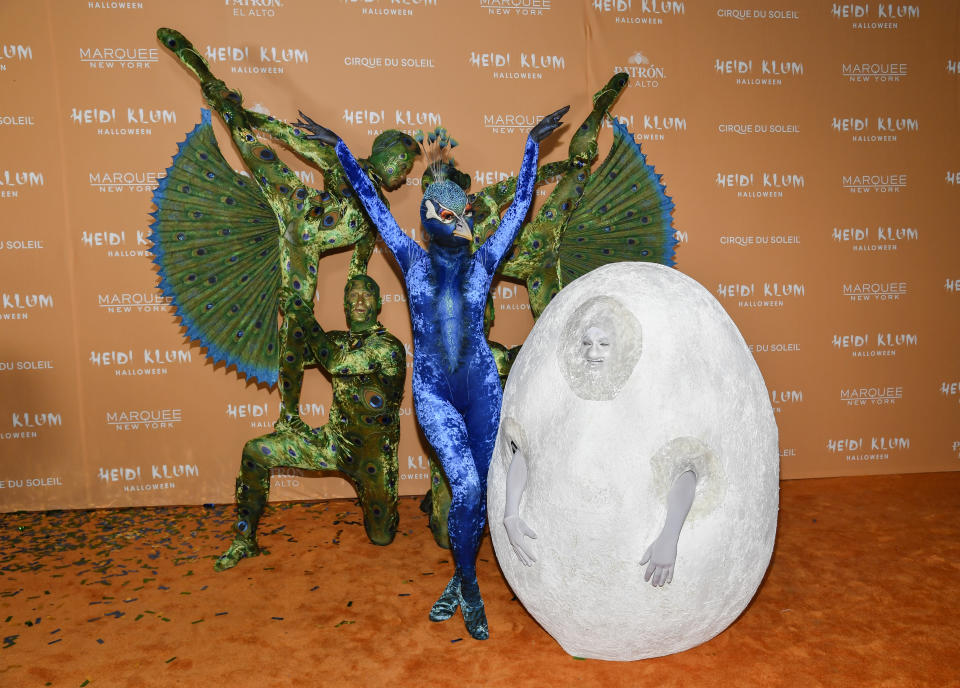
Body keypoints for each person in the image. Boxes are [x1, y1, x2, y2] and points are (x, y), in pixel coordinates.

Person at [294, 106, 569, 639]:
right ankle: (468, 585)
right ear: (427, 217)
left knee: (484, 489)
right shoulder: (411, 260)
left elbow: (518, 210)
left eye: (459, 213)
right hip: (437, 396)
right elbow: (373, 206)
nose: (454, 221)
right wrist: (341, 151)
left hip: (483, 390)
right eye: (440, 213)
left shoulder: (486, 260)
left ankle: (461, 576)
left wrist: (533, 145)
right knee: (464, 488)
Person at [215, 275, 406, 570]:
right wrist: (291, 324)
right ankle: (244, 540)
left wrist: (305, 314)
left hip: (374, 458)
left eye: (367, 295)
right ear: (344, 304)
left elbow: (336, 363)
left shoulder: (388, 347)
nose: (358, 299)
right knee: (255, 451)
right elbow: (291, 356)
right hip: (332, 443)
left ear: (379, 304)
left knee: (382, 537)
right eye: (352, 294)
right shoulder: (337, 339)